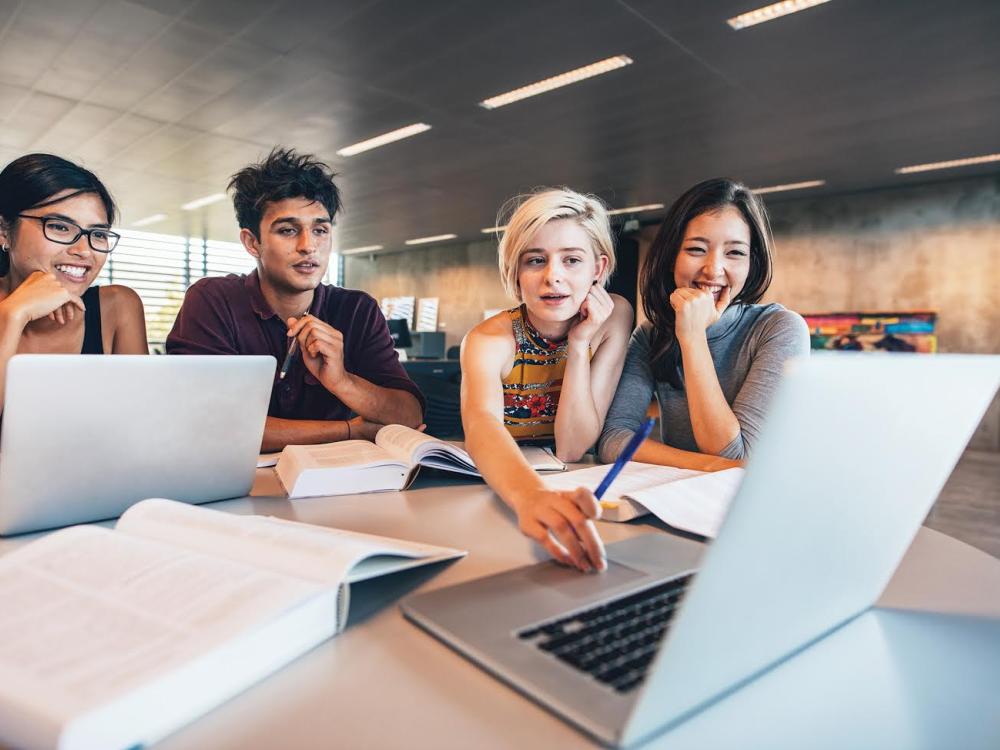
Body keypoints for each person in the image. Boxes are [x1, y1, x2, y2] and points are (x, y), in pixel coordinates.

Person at [166, 147, 424, 452]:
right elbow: (211, 424)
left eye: (320, 230)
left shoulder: (357, 309)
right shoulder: (213, 300)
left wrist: (342, 381)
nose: (308, 246)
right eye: (288, 230)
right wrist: (348, 431)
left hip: (336, 486)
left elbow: (409, 416)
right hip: (239, 484)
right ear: (252, 242)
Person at [461, 188, 633, 572]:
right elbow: (481, 425)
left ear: (598, 269)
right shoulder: (488, 339)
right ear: (515, 272)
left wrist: (579, 344)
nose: (553, 276)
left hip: (571, 483)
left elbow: (572, 447)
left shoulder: (614, 317)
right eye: (535, 260)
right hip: (500, 489)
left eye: (572, 260)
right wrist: (530, 497)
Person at [598, 178, 809, 468]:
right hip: (681, 498)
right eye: (697, 249)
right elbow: (613, 439)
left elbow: (733, 453)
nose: (713, 269)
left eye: (734, 252)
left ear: (752, 263)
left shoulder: (779, 329)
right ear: (671, 257)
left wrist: (693, 337)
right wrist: (705, 465)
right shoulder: (650, 335)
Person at [0, 153, 147, 412]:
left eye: (98, 234)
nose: (84, 250)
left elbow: (141, 421)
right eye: (60, 227)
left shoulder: (118, 307)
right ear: (3, 231)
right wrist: (13, 314)